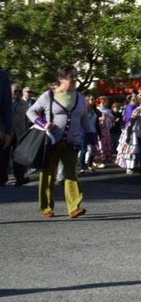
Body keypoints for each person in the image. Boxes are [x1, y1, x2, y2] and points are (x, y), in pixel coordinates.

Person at [27, 64, 93, 218]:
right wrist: (42, 123)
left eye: (76, 79)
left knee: (71, 173)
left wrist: (91, 133)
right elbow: (30, 112)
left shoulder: (80, 97)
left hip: (72, 142)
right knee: (48, 175)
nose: (74, 82)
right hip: (51, 141)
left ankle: (74, 207)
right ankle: (46, 207)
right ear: (61, 79)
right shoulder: (48, 96)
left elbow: (84, 119)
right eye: (71, 80)